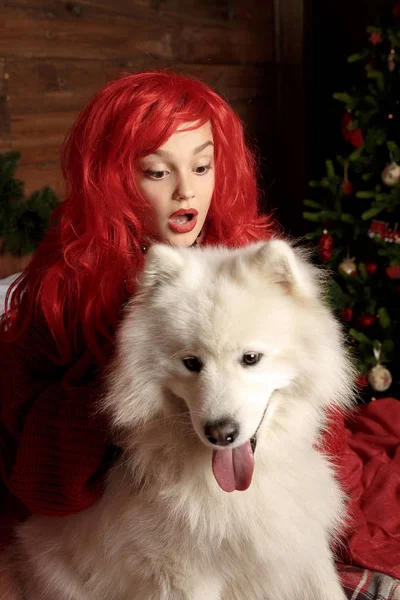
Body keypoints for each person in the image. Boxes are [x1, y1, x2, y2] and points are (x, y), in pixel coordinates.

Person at [0, 71, 282, 539]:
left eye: (201, 167)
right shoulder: (66, 285)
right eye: (157, 171)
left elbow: (313, 416)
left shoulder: (243, 258)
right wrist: (113, 374)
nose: (186, 191)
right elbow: (37, 475)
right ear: (114, 180)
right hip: (113, 520)